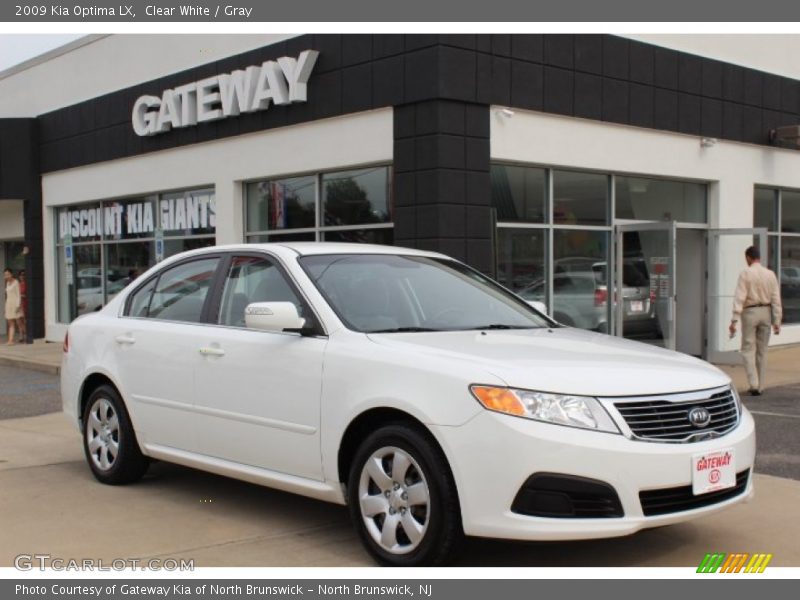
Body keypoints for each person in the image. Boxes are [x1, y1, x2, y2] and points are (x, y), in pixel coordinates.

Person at [729, 246, 782, 396]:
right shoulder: (770, 274)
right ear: (759, 257)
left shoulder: (745, 273)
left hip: (750, 312)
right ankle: (761, 385)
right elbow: (776, 299)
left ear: (748, 257)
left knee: (747, 349)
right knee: (762, 350)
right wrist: (777, 320)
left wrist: (734, 320)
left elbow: (739, 297)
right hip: (766, 312)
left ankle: (753, 383)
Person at [3, 268, 22, 346]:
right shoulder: (7, 283)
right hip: (9, 304)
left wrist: (17, 306)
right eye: (5, 275)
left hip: (15, 304)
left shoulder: (16, 282)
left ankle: (22, 335)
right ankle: (10, 340)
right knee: (10, 323)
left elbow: (18, 295)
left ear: (11, 274)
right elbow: (7, 295)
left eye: (8, 274)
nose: (6, 276)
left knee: (19, 322)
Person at [17, 269, 27, 343]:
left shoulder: (27, 284)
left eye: (23, 275)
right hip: (18, 304)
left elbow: (28, 294)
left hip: (25, 303)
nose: (22, 276)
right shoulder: (18, 284)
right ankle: (21, 335)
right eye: (21, 275)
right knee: (19, 321)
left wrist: (22, 295)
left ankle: (26, 334)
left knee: (24, 320)